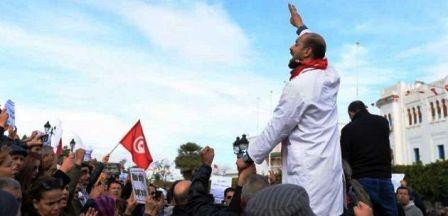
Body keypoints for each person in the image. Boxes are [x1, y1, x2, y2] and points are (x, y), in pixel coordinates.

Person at [246, 3, 343, 215]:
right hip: (328, 172)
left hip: (308, 173)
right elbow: (318, 45)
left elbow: (278, 126)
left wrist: (249, 155)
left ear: (307, 52)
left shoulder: (299, 86)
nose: (291, 47)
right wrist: (300, 26)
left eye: (296, 44)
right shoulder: (331, 74)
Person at [340, 100, 397, 215]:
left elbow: (345, 160)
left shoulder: (348, 129)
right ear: (365, 108)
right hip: (385, 178)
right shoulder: (383, 122)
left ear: (351, 113)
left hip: (362, 180)